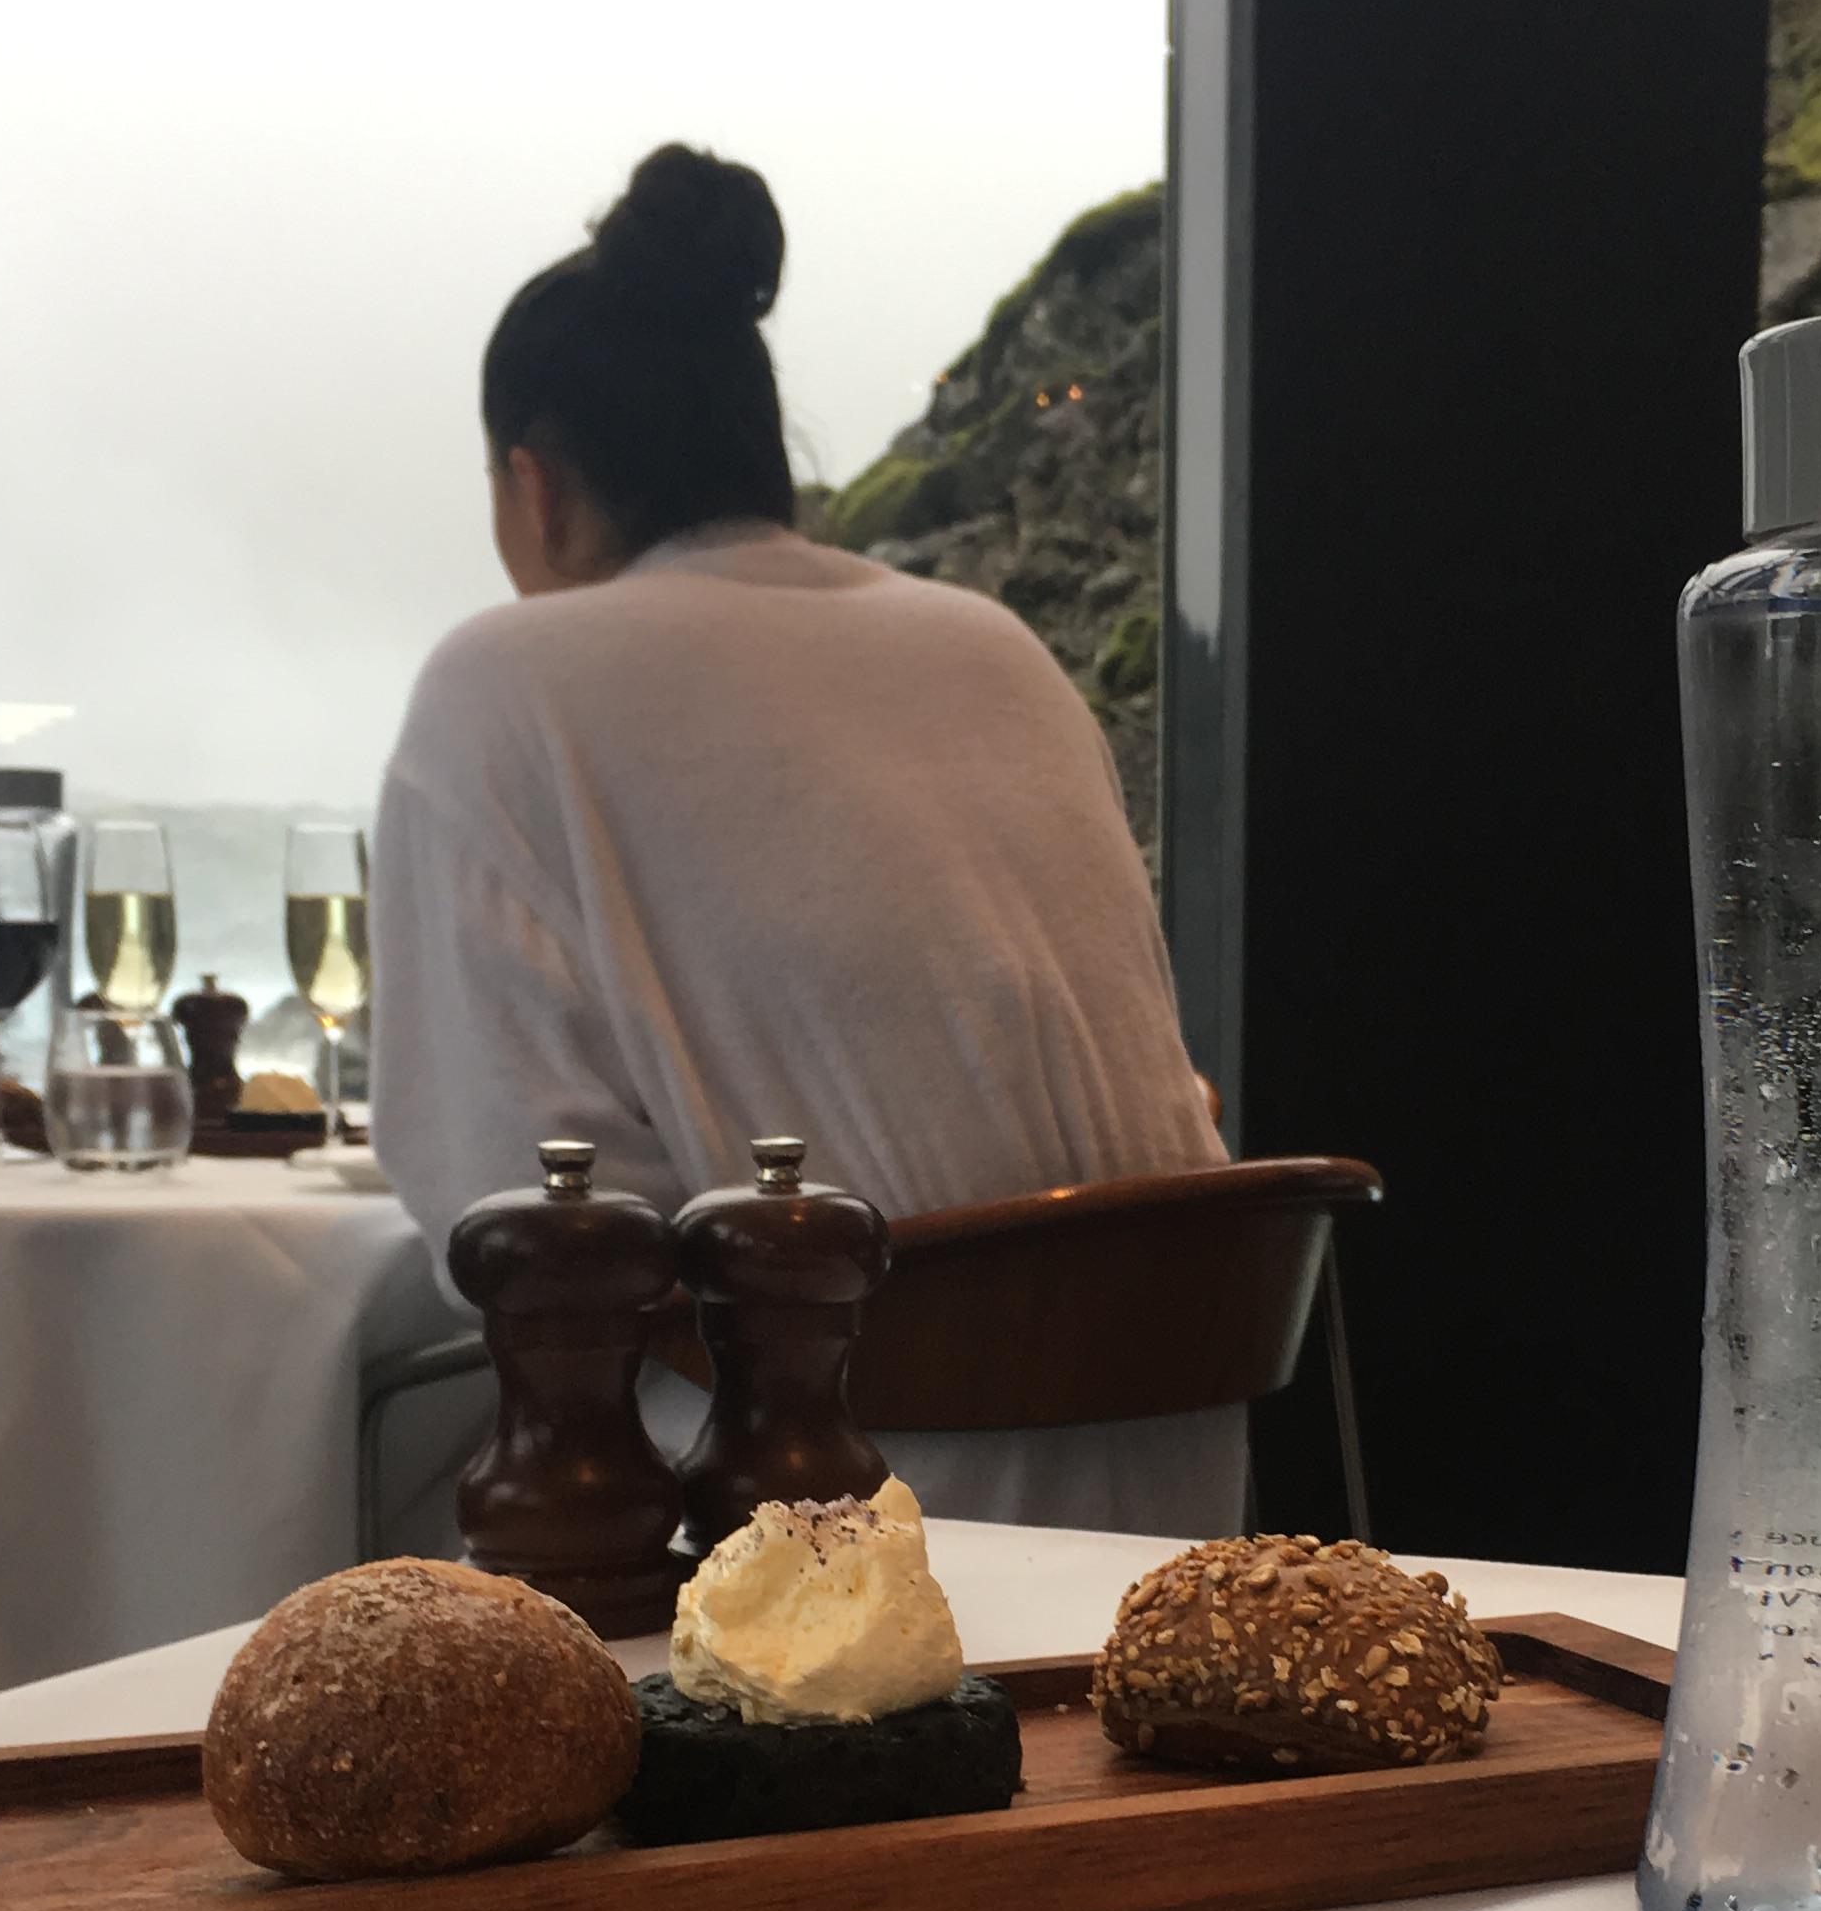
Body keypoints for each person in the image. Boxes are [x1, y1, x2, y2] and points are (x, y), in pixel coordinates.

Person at [370, 144, 1238, 1534]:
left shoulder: (504, 686)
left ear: (535, 488)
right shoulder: (996, 651)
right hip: (1192, 1511)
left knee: (375, 1440)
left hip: (819, 1534)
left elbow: (517, 1228)